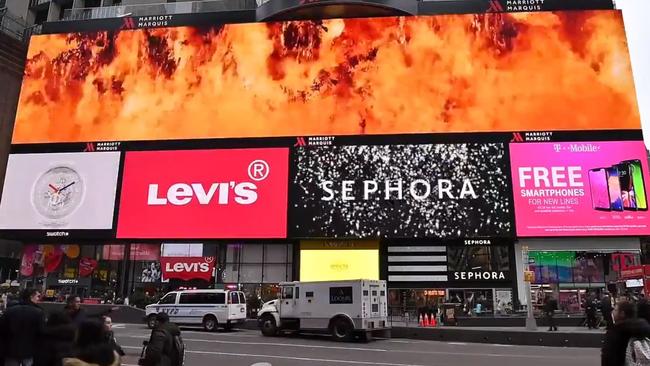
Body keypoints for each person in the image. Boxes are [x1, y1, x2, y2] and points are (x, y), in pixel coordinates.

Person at [0, 288, 45, 366]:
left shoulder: (9, 311)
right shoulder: (38, 312)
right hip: (29, 350)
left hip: (10, 350)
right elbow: (41, 333)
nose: (39, 299)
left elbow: (2, 331)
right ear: (31, 297)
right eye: (37, 296)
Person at [602, 300, 650, 366]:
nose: (612, 312)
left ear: (622, 313)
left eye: (615, 310)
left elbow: (608, 359)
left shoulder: (615, 333)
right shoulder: (643, 330)